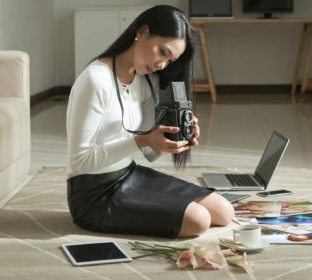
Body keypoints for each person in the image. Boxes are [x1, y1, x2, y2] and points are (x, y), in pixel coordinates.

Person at [66, 5, 234, 238]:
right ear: (142, 32)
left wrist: (169, 139)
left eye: (170, 60)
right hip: (93, 195)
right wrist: (142, 140)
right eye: (163, 52)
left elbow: (149, 154)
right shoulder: (95, 80)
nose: (162, 65)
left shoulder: (143, 79)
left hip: (129, 175)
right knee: (199, 221)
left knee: (223, 211)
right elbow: (79, 162)